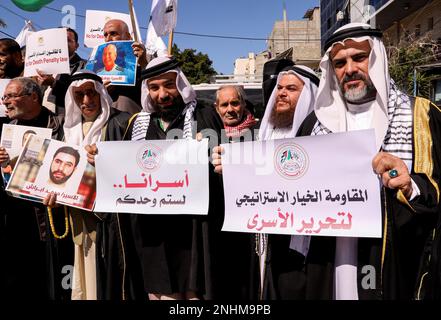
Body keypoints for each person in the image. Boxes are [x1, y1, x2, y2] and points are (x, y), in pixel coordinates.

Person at [290, 22, 441, 300]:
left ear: (377, 59)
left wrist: (412, 185)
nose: (349, 69)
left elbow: (435, 187)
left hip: (393, 255)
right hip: (329, 256)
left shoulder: (422, 116)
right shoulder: (314, 124)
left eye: (359, 57)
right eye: (339, 63)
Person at [92, 56, 224, 300]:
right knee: (159, 291)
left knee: (195, 291)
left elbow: (223, 164)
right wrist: (99, 160)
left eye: (169, 85)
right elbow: (125, 170)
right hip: (151, 228)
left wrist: (210, 157)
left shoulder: (204, 116)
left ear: (181, 84)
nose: (162, 94)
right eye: (154, 88)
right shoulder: (137, 124)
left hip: (194, 227)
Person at [212, 65, 320, 300]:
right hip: (271, 238)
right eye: (279, 87)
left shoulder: (317, 130)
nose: (281, 93)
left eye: (291, 88)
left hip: (306, 242)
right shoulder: (266, 131)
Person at [44, 70, 133, 300]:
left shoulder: (121, 123)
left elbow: (134, 170)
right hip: (74, 221)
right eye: (79, 95)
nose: (86, 101)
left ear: (101, 93)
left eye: (91, 93)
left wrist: (107, 162)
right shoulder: (65, 131)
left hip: (108, 223)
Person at [0, 77, 65, 300]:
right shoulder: (6, 130)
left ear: (33, 97)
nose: (5, 102)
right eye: (4, 97)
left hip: (51, 217)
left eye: (11, 96)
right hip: (16, 220)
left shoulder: (62, 125)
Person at [36, 28, 87, 114]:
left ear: (76, 46)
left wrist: (54, 83)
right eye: (59, 40)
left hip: (67, 120)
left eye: (67, 40)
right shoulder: (42, 64)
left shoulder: (85, 66)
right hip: (43, 120)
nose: (62, 43)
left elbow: (82, 94)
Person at [101, 19, 145, 114]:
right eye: (105, 35)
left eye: (113, 34)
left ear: (128, 36)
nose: (108, 39)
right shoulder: (98, 67)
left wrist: (144, 63)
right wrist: (101, 90)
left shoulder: (143, 57)